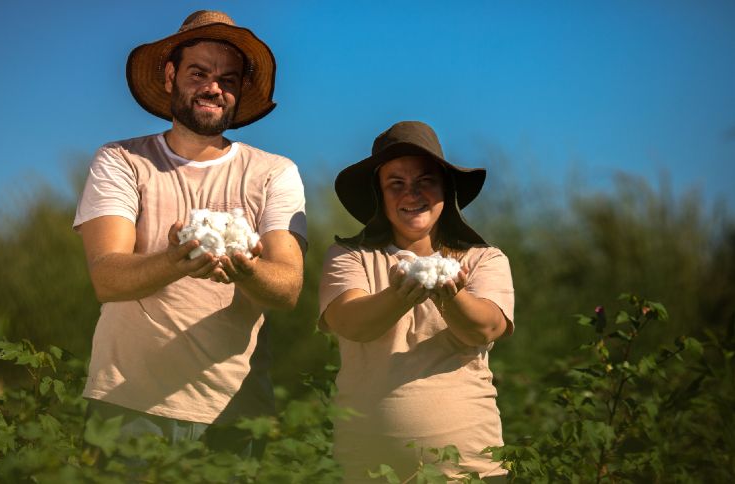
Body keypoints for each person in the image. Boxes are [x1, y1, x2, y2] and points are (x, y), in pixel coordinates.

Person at [73, 10, 307, 456]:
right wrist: (175, 259)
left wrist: (244, 269)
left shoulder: (274, 172)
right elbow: (106, 277)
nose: (214, 87)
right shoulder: (122, 161)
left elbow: (288, 287)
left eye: (229, 79)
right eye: (198, 72)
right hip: (126, 408)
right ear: (169, 75)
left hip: (236, 413)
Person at [319, 121, 514, 482]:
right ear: (379, 195)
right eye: (396, 184)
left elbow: (485, 327)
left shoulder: (484, 259)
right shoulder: (350, 256)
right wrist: (399, 296)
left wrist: (449, 296)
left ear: (445, 189)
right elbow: (351, 322)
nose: (412, 194)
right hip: (367, 471)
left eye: (425, 180)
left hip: (471, 471)